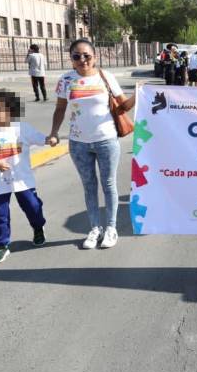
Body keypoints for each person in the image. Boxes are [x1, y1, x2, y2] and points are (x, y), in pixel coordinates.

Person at [49, 39, 135, 250]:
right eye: (76, 56)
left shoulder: (106, 77)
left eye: (86, 55)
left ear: (94, 57)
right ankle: (94, 228)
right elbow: (60, 109)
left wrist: (139, 95)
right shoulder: (66, 80)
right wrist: (53, 133)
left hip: (106, 140)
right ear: (71, 60)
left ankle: (111, 229)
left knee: (108, 185)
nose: (82, 60)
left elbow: (123, 105)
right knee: (89, 187)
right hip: (78, 143)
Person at [0, 89, 55, 264]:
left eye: (1, 109)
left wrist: (51, 139)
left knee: (32, 206)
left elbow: (42, 138)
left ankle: (38, 227)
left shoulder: (22, 128)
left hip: (21, 179)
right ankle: (2, 245)